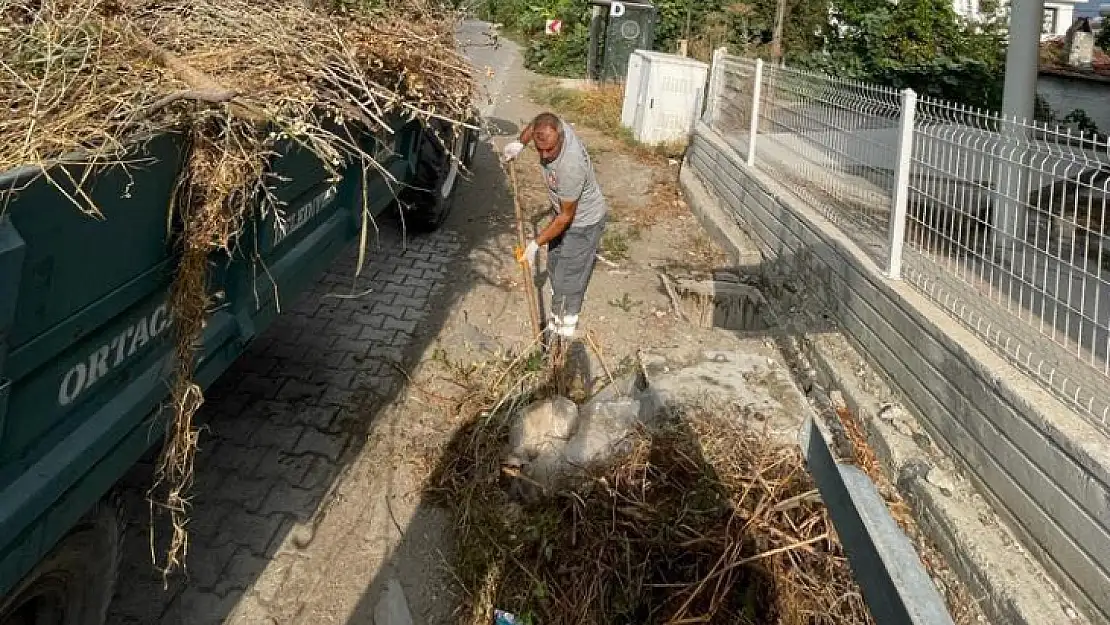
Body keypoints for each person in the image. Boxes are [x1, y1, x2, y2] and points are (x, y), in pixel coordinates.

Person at [503, 112, 608, 340]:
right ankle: (557, 311)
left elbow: (565, 219)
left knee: (568, 280)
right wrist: (520, 143)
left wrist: (534, 244)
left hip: (583, 224)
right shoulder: (549, 126)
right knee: (554, 267)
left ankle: (562, 333)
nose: (544, 155)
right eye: (540, 149)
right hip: (561, 216)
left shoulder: (571, 166)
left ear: (561, 137)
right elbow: (534, 124)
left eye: (550, 149)